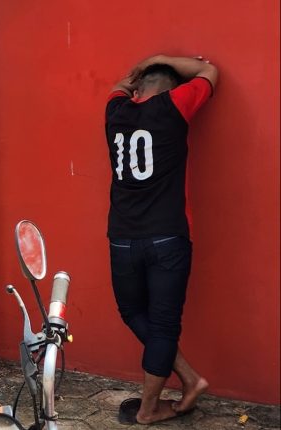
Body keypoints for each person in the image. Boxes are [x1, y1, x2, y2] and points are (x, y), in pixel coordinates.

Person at [105, 55, 218, 424]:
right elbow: (210, 71)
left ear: (138, 91)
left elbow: (121, 85)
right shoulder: (175, 105)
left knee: (133, 313)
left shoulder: (115, 110)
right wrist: (160, 60)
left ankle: (188, 381)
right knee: (164, 324)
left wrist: (140, 70)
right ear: (171, 90)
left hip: (122, 237)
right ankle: (151, 409)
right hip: (168, 236)